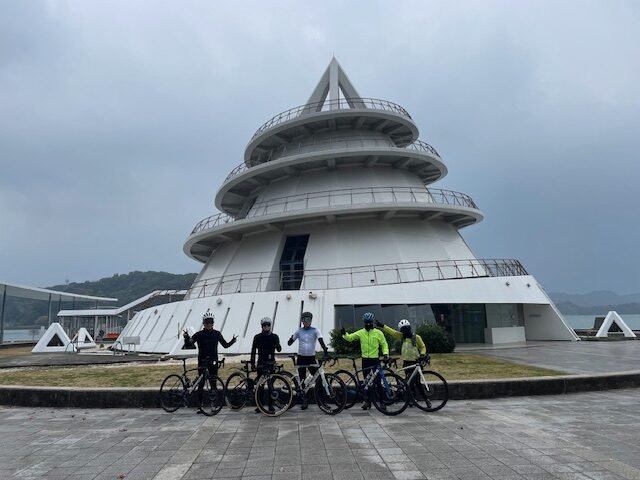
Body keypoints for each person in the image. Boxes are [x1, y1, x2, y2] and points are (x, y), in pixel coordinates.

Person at [183, 309, 237, 413]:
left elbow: (225, 345)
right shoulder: (199, 334)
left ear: (213, 323)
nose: (209, 324)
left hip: (213, 361)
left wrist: (233, 341)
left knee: (213, 384)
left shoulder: (217, 334)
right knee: (201, 384)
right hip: (202, 362)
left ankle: (214, 405)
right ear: (203, 323)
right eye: (207, 322)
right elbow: (189, 344)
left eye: (210, 322)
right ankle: (200, 406)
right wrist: (186, 337)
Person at [341, 312, 389, 410]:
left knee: (378, 382)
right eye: (366, 322)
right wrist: (344, 334)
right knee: (367, 382)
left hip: (375, 360)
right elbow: (350, 338)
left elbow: (384, 344)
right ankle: (367, 402)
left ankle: (382, 402)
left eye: (370, 322)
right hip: (365, 360)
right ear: (364, 322)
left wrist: (385, 354)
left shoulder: (378, 333)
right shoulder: (361, 332)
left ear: (372, 322)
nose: (368, 324)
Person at [287, 311, 329, 410]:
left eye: (308, 319)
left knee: (318, 379)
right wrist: (291, 338)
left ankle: (322, 402)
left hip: (311, 358)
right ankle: (304, 400)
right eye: (305, 319)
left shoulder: (315, 330)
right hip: (301, 358)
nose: (306, 321)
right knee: (302, 380)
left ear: (311, 320)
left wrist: (325, 351)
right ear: (302, 321)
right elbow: (289, 343)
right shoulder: (299, 331)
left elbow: (321, 341)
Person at [250, 316, 282, 413]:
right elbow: (253, 351)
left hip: (271, 363)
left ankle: (270, 405)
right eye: (264, 325)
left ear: (270, 326)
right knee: (260, 386)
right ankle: (259, 405)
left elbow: (279, 349)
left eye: (268, 325)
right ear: (262, 326)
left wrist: (277, 344)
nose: (266, 327)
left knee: (271, 385)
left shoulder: (275, 336)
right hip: (261, 364)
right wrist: (252, 363)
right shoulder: (257, 337)